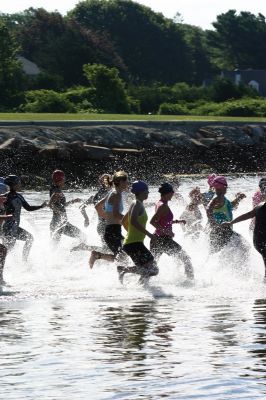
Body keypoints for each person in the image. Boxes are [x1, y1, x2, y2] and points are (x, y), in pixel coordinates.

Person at [150, 182, 194, 280]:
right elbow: (152, 222)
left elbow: (162, 221)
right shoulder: (163, 206)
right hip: (163, 240)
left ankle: (141, 283)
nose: (173, 194)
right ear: (167, 193)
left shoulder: (159, 203)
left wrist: (177, 221)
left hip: (156, 239)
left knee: (151, 267)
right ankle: (191, 282)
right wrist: (167, 232)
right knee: (186, 259)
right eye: (172, 192)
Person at [119, 180, 159, 284]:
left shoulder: (135, 203)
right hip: (134, 244)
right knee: (153, 270)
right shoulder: (137, 204)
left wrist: (131, 233)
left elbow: (123, 221)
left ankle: (140, 289)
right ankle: (124, 269)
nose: (148, 193)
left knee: (147, 270)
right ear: (141, 192)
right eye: (146, 191)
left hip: (133, 243)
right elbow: (132, 221)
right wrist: (149, 234)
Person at [2, 175, 47, 262]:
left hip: (13, 227)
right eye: (19, 183)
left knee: (29, 238)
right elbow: (28, 208)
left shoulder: (16, 196)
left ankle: (24, 261)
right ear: (14, 185)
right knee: (7, 250)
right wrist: (41, 206)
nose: (20, 184)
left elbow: (28, 208)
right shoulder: (5, 197)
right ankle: (20, 263)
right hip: (8, 228)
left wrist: (41, 206)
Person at [89, 171, 129, 269]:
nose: (128, 183)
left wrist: (107, 217)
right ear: (120, 182)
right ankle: (97, 255)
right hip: (112, 231)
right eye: (126, 181)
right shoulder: (116, 194)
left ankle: (99, 257)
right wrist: (131, 220)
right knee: (122, 257)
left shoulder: (112, 192)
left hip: (112, 229)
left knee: (124, 255)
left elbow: (98, 206)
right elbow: (116, 214)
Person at [222, 198, 266, 278]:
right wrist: (231, 222)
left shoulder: (259, 206)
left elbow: (247, 215)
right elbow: (248, 215)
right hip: (262, 241)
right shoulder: (259, 207)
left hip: (257, 241)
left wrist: (231, 222)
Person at [206, 175, 247, 254]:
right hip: (221, 230)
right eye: (226, 187)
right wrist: (213, 222)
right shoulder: (218, 197)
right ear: (223, 187)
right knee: (244, 248)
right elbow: (208, 208)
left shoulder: (221, 198)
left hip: (221, 231)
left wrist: (238, 199)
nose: (226, 189)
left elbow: (230, 206)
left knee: (215, 254)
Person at [49, 169, 85, 244]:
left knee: (53, 248)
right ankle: (74, 251)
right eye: (63, 178)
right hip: (60, 223)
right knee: (82, 236)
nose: (64, 180)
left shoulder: (55, 189)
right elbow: (50, 204)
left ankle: (71, 252)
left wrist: (73, 201)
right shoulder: (57, 191)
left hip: (57, 223)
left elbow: (61, 205)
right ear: (60, 179)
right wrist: (60, 213)